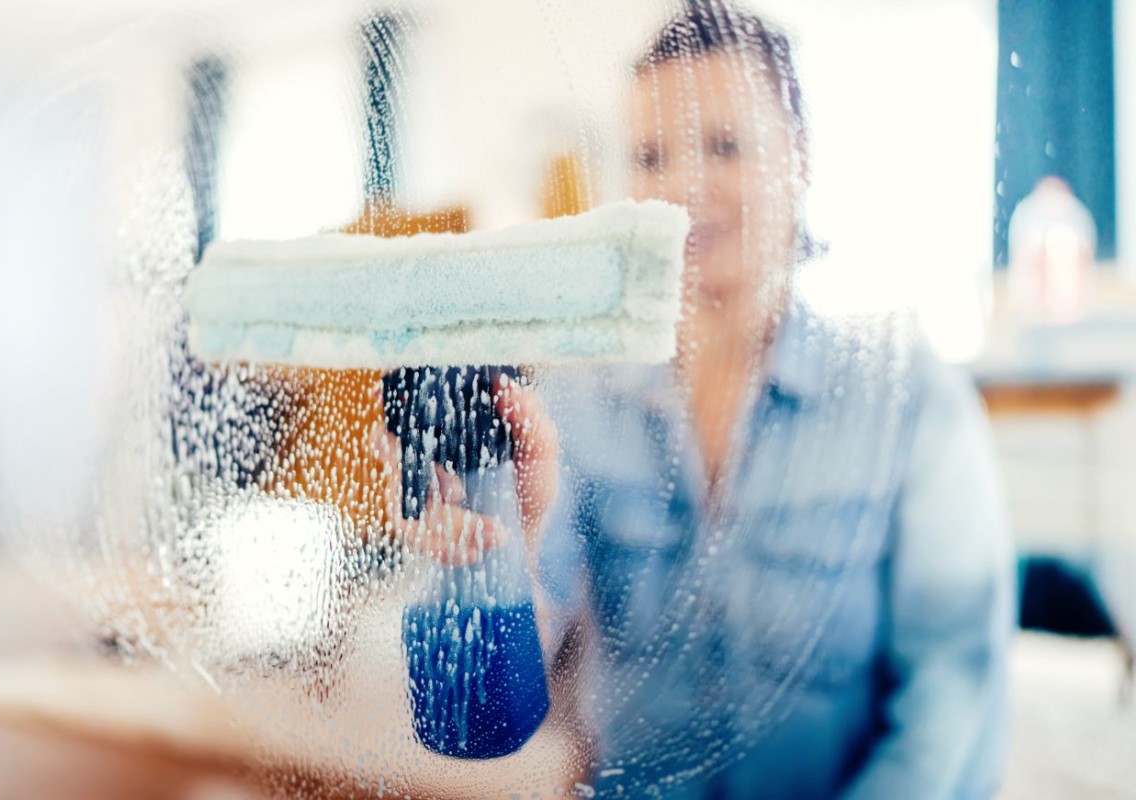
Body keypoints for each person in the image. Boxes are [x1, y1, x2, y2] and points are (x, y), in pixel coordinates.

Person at [379, 3, 1012, 797]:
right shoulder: (571, 400)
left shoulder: (909, 397)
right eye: (650, 155)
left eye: (725, 145)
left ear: (800, 158)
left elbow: (952, 699)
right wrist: (496, 549)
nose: (683, 187)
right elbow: (493, 708)